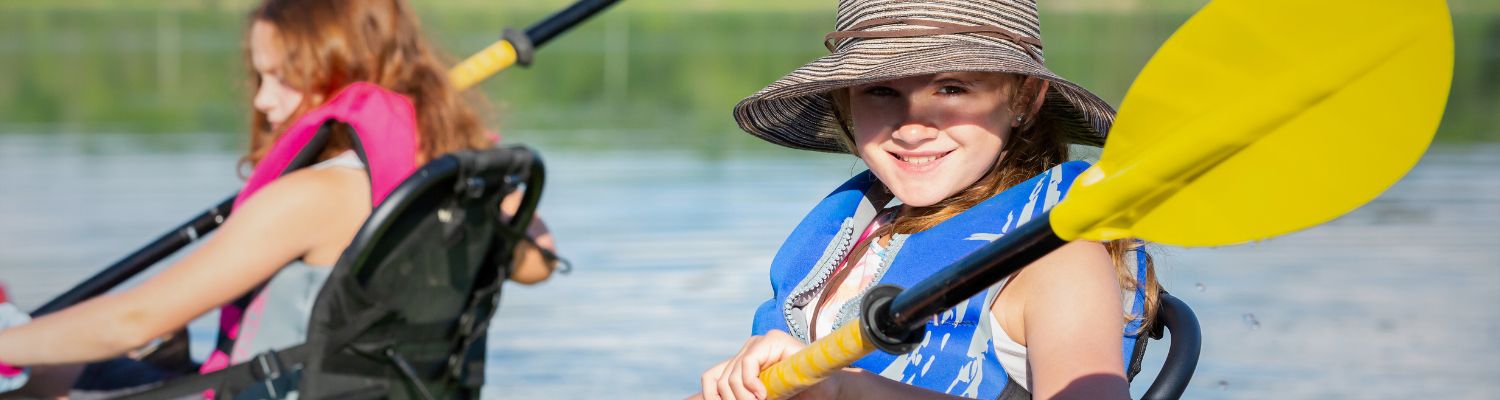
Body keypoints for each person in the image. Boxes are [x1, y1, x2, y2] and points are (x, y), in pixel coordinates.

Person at [0, 0, 556, 395]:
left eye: (282, 77)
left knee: (46, 379)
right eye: (258, 76)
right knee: (127, 355)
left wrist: (9, 343)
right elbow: (537, 263)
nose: (264, 100)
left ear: (344, 68)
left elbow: (132, 321)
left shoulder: (311, 196)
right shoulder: (450, 185)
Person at [695, 0, 1160, 399]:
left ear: (1025, 98)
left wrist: (849, 388)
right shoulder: (869, 224)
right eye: (881, 90)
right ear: (846, 102)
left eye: (952, 88)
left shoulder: (1057, 259)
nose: (913, 128)